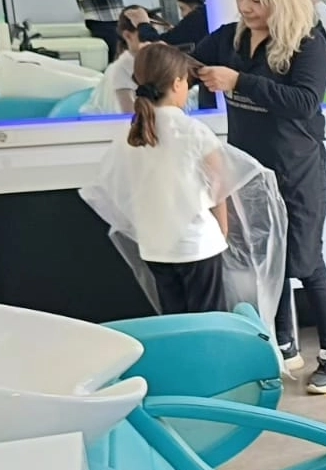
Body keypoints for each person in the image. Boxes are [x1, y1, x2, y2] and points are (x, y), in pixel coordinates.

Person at [194, 0, 326, 393]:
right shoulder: (229, 39)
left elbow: (304, 102)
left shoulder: (308, 43)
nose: (245, 6)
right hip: (249, 172)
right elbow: (185, 62)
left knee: (306, 262)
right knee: (268, 261)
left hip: (296, 170)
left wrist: (238, 82)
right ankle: (284, 344)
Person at [88, 43, 226, 314]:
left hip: (155, 248)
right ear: (177, 83)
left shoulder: (132, 134)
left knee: (175, 320)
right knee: (210, 321)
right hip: (197, 244)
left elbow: (118, 187)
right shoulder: (193, 131)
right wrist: (223, 230)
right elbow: (219, 186)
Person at [81, 6, 157, 115]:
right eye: (146, 33)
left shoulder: (150, 64)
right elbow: (129, 117)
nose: (153, 39)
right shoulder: (120, 71)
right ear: (127, 36)